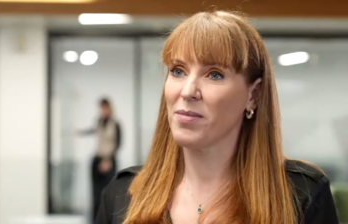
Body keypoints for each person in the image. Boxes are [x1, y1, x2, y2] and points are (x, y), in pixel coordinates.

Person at [94, 10, 339, 224]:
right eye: (178, 71)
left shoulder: (303, 195)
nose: (188, 91)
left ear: (253, 95)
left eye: (214, 75)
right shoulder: (122, 194)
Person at [77, 98, 121, 221]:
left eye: (105, 108)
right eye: (101, 108)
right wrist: (80, 132)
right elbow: (92, 130)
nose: (103, 110)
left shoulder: (115, 124)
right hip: (97, 160)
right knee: (96, 193)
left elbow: (118, 143)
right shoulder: (99, 122)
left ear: (110, 108)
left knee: (109, 192)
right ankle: (95, 219)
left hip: (109, 161)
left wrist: (108, 160)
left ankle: (108, 220)